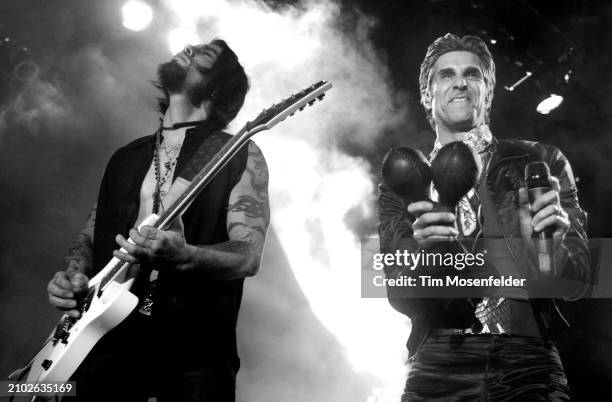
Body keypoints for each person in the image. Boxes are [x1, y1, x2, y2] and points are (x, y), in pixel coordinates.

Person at [46, 39, 269, 401]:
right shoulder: (125, 157)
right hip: (105, 346)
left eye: (205, 55)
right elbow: (90, 235)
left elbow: (248, 255)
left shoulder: (236, 152)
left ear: (217, 88)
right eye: (194, 45)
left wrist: (186, 255)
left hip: (194, 354)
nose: (190, 48)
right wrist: (72, 275)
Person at [378, 34, 590, 400]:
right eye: (446, 75)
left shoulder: (540, 162)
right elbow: (400, 295)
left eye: (472, 74)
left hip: (529, 360)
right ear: (427, 95)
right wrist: (427, 255)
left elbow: (579, 282)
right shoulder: (405, 177)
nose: (460, 82)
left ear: (488, 91)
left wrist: (551, 250)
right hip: (439, 363)